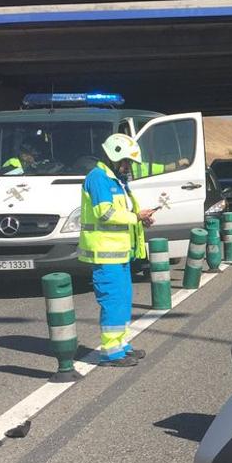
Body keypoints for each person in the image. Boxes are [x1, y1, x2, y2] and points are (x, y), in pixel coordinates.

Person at [79, 133, 156, 367]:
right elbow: (106, 213)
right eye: (126, 162)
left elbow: (123, 213)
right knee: (113, 301)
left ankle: (122, 345)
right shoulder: (99, 179)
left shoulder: (116, 181)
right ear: (114, 157)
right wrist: (135, 217)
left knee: (123, 301)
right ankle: (111, 353)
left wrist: (140, 219)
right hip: (105, 254)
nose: (128, 167)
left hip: (120, 253)